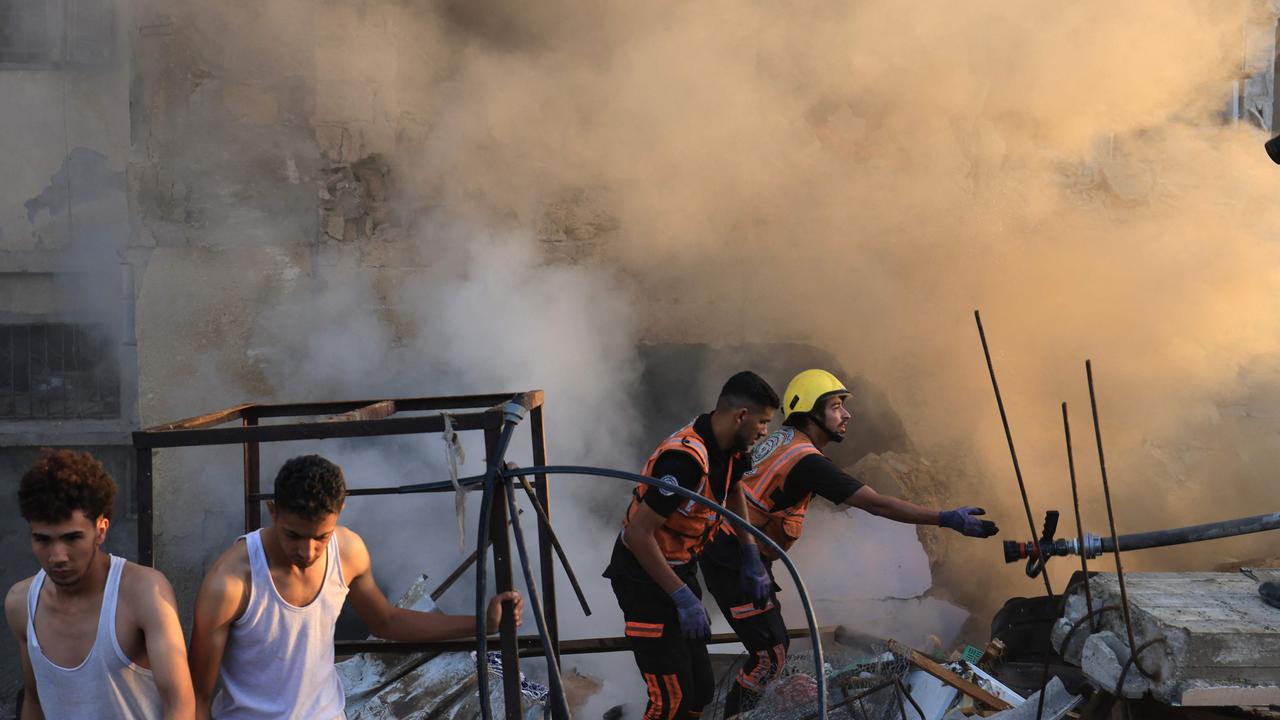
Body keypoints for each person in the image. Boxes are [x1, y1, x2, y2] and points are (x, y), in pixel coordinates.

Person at [698, 369, 1000, 716]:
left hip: (733, 548)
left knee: (771, 647)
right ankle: (738, 715)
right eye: (836, 406)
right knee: (771, 654)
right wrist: (946, 518)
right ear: (812, 412)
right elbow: (876, 503)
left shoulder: (780, 440)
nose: (847, 415)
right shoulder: (807, 461)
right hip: (733, 557)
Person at [189, 454, 523, 720]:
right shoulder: (231, 581)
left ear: (339, 514)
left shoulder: (348, 552)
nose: (308, 552)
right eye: (293, 535)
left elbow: (386, 621)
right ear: (272, 512)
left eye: (321, 536)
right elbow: (197, 697)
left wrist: (484, 623)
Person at [603, 371, 781, 720]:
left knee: (700, 689)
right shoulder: (683, 461)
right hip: (643, 582)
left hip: (679, 570)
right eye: (762, 422)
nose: (765, 431)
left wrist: (749, 553)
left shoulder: (732, 449)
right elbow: (636, 536)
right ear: (741, 416)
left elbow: (732, 490)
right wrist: (682, 598)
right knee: (670, 700)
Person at [4, 449, 196, 719]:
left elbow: (181, 705)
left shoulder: (144, 592)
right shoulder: (20, 603)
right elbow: (34, 702)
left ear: (101, 529)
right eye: (43, 540)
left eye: (72, 538)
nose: (58, 556)